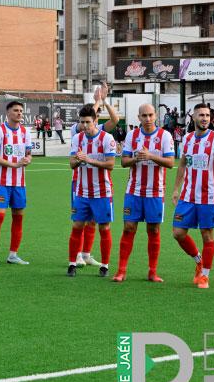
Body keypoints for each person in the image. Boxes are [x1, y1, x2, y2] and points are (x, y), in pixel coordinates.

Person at [112, 103, 175, 283]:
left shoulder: (165, 136)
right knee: (128, 228)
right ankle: (121, 270)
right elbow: (123, 162)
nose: (147, 119)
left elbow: (170, 162)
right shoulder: (132, 135)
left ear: (156, 116)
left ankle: (152, 272)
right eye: (144, 116)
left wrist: (151, 156)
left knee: (153, 229)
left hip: (155, 192)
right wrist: (135, 158)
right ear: (138, 118)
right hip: (134, 191)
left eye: (150, 115)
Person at [172, 103, 214, 289]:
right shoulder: (187, 139)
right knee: (178, 233)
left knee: (207, 235)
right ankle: (199, 260)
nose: (205, 118)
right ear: (194, 117)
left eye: (207, 115)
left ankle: (205, 276)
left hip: (209, 197)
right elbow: (181, 165)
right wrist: (176, 189)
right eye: (201, 115)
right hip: (188, 196)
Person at [69, 82, 119, 268]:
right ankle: (78, 256)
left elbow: (113, 120)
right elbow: (89, 114)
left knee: (92, 222)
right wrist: (96, 102)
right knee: (79, 220)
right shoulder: (77, 131)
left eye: (88, 121)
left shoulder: (101, 135)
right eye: (83, 122)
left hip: (99, 185)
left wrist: (103, 101)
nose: (84, 125)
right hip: (78, 183)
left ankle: (86, 254)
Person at [0, 101, 33, 266]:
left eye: (21, 110)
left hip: (19, 183)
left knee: (18, 219)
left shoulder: (26, 132)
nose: (19, 113)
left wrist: (28, 159)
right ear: (8, 113)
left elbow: (28, 154)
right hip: (1, 182)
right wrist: (14, 165)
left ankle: (13, 254)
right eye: (16, 110)